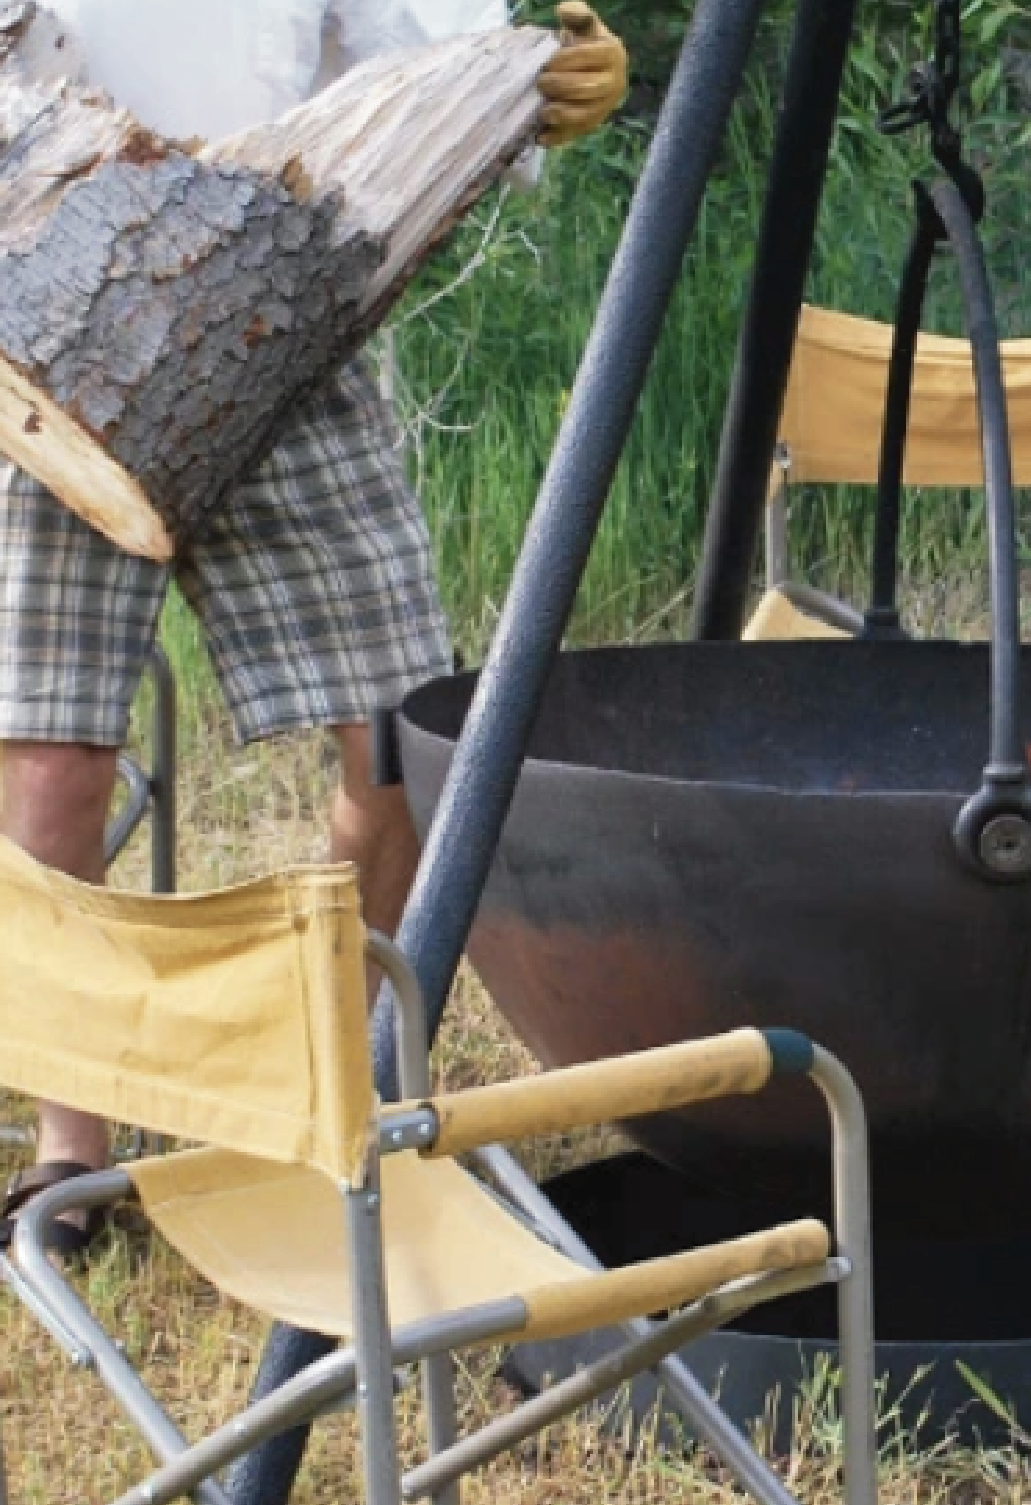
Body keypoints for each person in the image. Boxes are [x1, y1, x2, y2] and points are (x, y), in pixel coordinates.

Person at [0, 0, 628, 1257]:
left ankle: (329, 1077)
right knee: (49, 760)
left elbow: (417, 63)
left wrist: (527, 92)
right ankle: (70, 1151)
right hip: (47, 322)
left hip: (276, 318)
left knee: (402, 736)